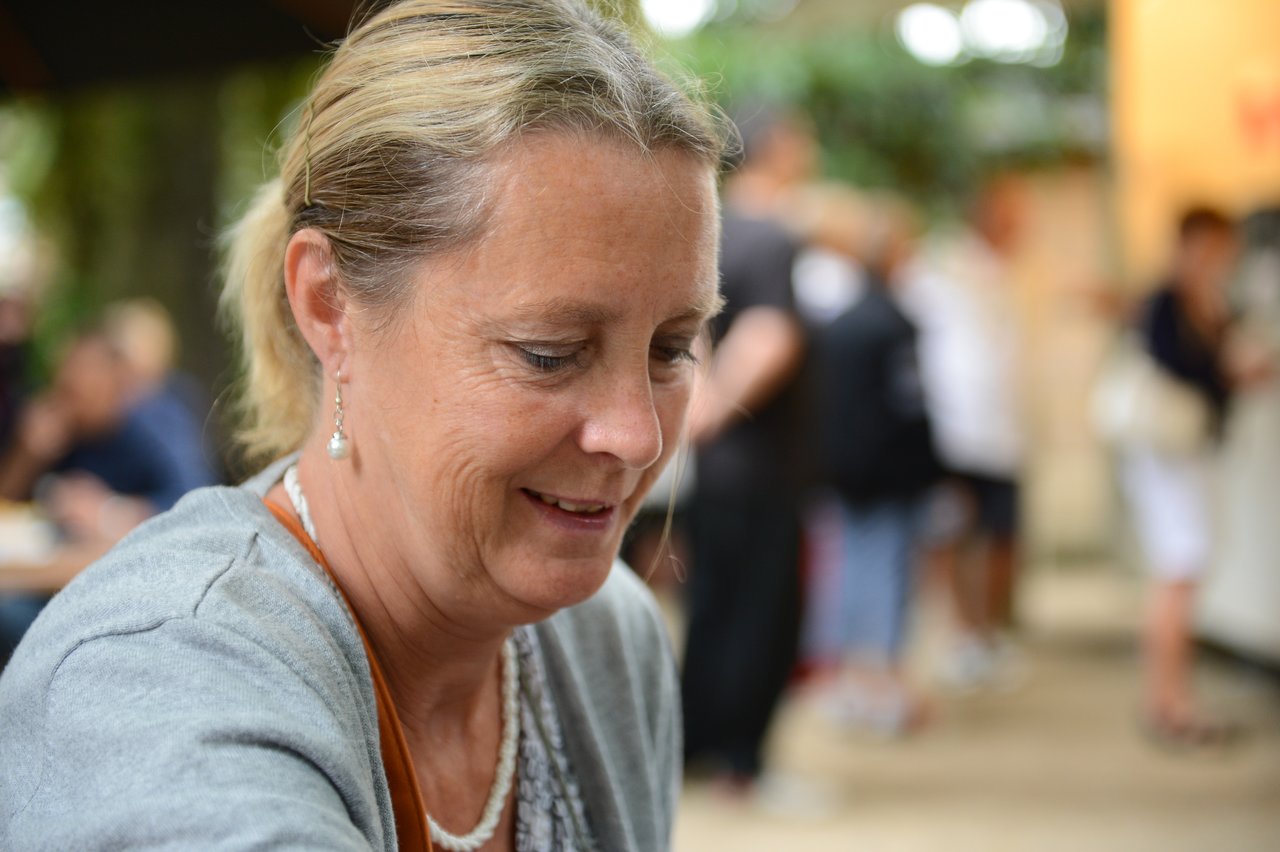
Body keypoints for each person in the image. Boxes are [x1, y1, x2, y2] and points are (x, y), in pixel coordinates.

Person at [0, 2, 725, 849]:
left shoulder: (608, 637)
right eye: (549, 352)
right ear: (330, 306)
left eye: (672, 348)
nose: (637, 436)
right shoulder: (152, 687)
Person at [681, 106, 811, 791]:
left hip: (719, 470)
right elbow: (770, 337)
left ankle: (697, 746)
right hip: (759, 464)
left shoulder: (709, 229)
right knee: (763, 609)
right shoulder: (772, 234)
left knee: (713, 604)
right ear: (776, 147)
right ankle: (742, 760)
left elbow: (694, 328)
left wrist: (696, 402)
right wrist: (712, 410)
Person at [815, 198, 940, 734]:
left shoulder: (839, 324)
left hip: (843, 472)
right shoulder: (892, 325)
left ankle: (848, 683)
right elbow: (907, 410)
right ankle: (882, 686)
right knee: (885, 574)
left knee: (846, 574)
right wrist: (933, 472)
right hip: (887, 476)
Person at [1120, 206, 1242, 747]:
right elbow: (1181, 366)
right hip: (1166, 453)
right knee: (1178, 570)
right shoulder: (1165, 302)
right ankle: (1167, 701)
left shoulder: (1210, 303)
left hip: (1191, 451)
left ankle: (1172, 697)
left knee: (1183, 572)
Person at [900, 174, 1028, 689]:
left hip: (1001, 432)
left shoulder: (1001, 272)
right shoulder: (941, 264)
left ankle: (986, 635)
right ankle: (960, 635)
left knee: (1002, 537)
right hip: (954, 429)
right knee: (951, 532)